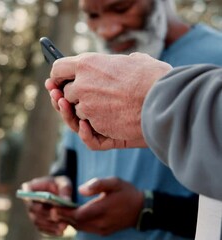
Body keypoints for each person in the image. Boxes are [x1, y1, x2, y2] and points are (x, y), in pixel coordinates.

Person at [23, 0, 222, 239]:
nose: (108, 29)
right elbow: (72, 164)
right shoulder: (90, 71)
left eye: (121, 9)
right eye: (93, 16)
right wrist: (58, 190)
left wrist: (148, 209)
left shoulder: (216, 57)